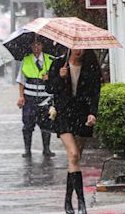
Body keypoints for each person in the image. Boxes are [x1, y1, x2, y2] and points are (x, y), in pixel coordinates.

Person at [46, 49, 102, 214]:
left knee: (75, 161)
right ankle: (81, 202)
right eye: (76, 47)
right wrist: (60, 77)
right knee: (73, 155)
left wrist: (93, 113)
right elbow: (49, 88)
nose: (79, 51)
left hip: (82, 115)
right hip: (64, 115)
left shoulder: (90, 66)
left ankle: (68, 201)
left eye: (82, 47)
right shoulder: (58, 64)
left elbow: (94, 93)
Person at [16, 37, 56, 158]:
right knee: (27, 124)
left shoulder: (51, 59)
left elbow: (58, 79)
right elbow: (21, 80)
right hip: (29, 99)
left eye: (38, 45)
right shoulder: (26, 60)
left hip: (46, 98)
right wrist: (21, 96)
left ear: (42, 46)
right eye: (34, 45)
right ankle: (27, 150)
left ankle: (46, 149)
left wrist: (50, 78)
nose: (36, 48)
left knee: (46, 124)